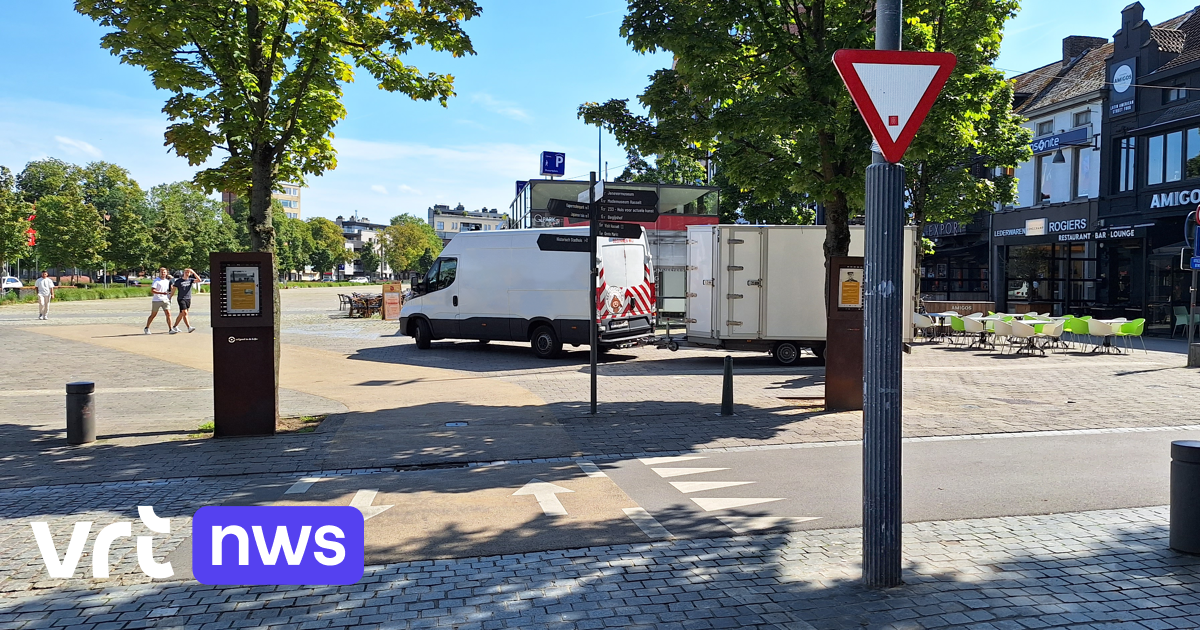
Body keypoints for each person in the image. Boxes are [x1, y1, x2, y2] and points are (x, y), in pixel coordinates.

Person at [144, 267, 175, 334]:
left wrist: (171, 291)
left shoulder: (167, 281)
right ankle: (147, 327)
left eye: (164, 272)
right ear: (159, 273)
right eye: (161, 272)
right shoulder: (156, 281)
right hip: (157, 300)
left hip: (165, 300)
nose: (163, 273)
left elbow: (170, 289)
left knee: (168, 314)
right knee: (153, 314)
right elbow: (153, 290)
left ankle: (170, 329)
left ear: (166, 273)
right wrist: (161, 293)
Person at [172, 268, 202, 333]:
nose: (187, 273)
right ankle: (189, 327)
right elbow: (173, 289)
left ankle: (175, 326)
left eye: (188, 272)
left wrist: (193, 272)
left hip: (188, 298)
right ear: (183, 273)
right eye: (185, 272)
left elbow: (199, 280)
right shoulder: (178, 281)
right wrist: (170, 297)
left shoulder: (190, 280)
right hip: (181, 298)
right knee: (185, 313)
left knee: (182, 314)